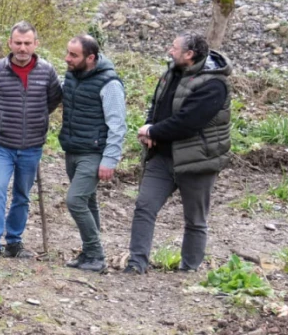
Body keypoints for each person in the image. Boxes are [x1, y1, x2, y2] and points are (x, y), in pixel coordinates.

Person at [126, 32, 231, 274]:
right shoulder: (172, 72)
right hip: (162, 157)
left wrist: (153, 130)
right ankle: (136, 263)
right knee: (144, 206)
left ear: (189, 55)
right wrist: (149, 129)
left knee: (195, 219)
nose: (169, 50)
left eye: (174, 47)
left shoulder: (214, 84)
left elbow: (188, 123)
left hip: (198, 160)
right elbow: (157, 104)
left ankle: (189, 268)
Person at [0, 22, 63, 258]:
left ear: (36, 44)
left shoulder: (47, 71)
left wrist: (36, 120)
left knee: (22, 194)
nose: (22, 48)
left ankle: (14, 241)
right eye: (18, 42)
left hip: (32, 147)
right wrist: (3, 120)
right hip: (2, 145)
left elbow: (53, 100)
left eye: (27, 43)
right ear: (10, 43)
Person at [59, 34, 126, 273]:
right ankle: (89, 253)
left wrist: (110, 159)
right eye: (67, 53)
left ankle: (96, 254)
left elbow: (118, 124)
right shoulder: (71, 76)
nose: (67, 58)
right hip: (72, 149)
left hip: (93, 152)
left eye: (73, 55)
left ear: (91, 58)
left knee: (75, 200)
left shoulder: (110, 84)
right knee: (88, 201)